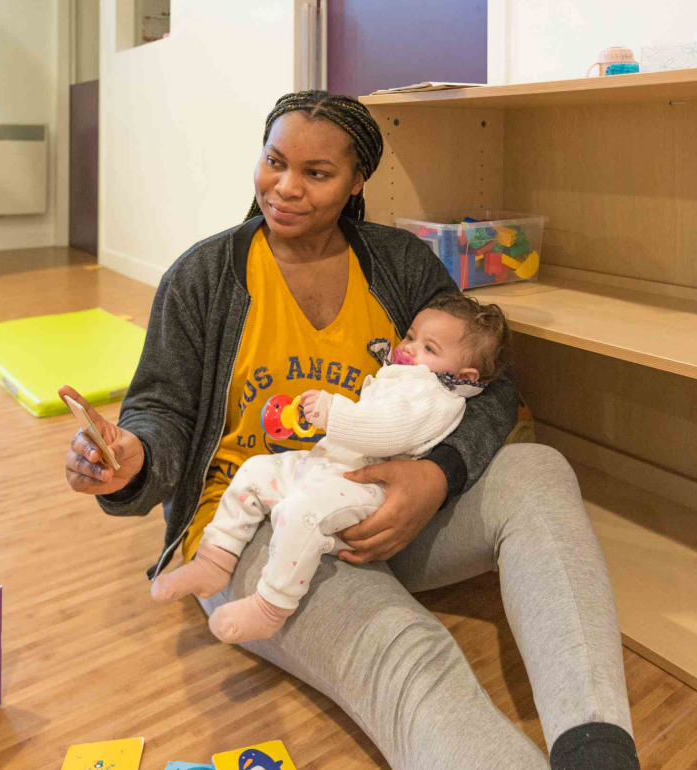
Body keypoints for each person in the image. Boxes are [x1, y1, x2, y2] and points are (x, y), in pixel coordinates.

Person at [61, 90, 639, 770]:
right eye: (274, 162)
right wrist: (134, 459)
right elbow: (160, 409)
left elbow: (490, 386)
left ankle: (598, 750)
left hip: (384, 508)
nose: (285, 187)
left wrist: (435, 475)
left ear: (358, 180)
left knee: (540, 471)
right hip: (256, 526)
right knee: (404, 649)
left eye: (317, 173)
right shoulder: (204, 276)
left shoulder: (399, 264)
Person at [151, 294, 510, 644]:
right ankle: (215, 560)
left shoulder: (437, 396)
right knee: (255, 472)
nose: (411, 348)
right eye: (412, 337)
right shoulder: (405, 375)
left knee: (300, 514)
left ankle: (271, 606)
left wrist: (332, 413)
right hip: (329, 464)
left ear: (465, 375)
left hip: (367, 486)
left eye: (429, 349)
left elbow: (387, 430)